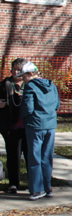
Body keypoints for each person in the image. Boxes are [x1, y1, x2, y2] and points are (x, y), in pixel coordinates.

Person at [18, 62, 60, 201]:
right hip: (50, 125)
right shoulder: (52, 85)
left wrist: (23, 117)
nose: (23, 80)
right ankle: (47, 187)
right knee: (46, 157)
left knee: (34, 157)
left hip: (35, 126)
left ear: (30, 74)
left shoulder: (30, 86)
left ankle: (37, 189)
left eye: (24, 77)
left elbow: (27, 108)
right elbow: (57, 105)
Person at [0, 59, 28, 194]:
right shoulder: (5, 84)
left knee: (30, 156)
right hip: (11, 128)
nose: (16, 72)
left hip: (28, 127)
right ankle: (13, 184)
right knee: (13, 156)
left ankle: (33, 183)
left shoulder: (29, 85)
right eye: (14, 69)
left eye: (19, 69)